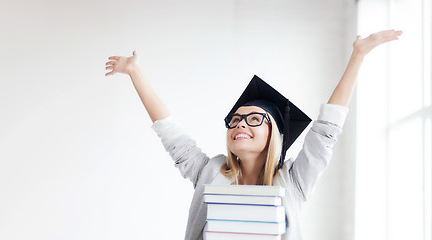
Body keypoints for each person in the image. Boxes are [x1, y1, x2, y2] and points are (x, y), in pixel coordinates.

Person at [104, 29, 402, 240]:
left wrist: (358, 56)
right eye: (235, 120)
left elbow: (326, 131)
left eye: (253, 118)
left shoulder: (293, 181)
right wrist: (136, 73)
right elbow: (171, 134)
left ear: (275, 133)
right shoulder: (210, 172)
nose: (239, 124)